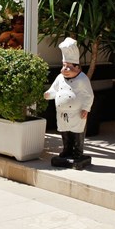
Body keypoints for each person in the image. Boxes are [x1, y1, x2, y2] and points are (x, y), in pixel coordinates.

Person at [44, 38, 94, 169]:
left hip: (77, 113)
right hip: (62, 113)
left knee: (77, 132)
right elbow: (54, 89)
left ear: (77, 68)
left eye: (69, 67)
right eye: (64, 66)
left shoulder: (82, 79)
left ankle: (77, 153)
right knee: (64, 132)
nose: (65, 69)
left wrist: (86, 108)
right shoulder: (60, 78)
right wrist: (48, 94)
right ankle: (66, 150)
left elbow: (89, 95)